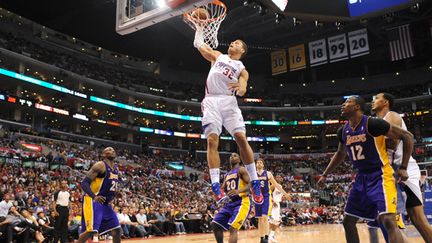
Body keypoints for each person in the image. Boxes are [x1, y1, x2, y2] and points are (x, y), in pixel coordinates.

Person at [317, 96, 414, 243]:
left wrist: (404, 167)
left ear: (357, 107)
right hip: (361, 178)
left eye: (348, 102)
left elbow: (407, 136)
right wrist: (325, 174)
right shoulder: (343, 131)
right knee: (348, 221)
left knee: (388, 220)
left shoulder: (373, 123)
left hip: (381, 174)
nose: (343, 105)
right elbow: (340, 154)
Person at [193, 29, 262, 205]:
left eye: (237, 43)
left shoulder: (242, 69)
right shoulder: (218, 56)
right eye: (232, 42)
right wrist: (200, 28)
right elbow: (199, 45)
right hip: (211, 101)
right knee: (211, 141)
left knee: (240, 137)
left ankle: (254, 181)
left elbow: (244, 85)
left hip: (229, 102)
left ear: (242, 51)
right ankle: (216, 186)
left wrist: (240, 88)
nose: (233, 43)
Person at [368, 93, 432, 243]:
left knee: (417, 219)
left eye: (376, 98)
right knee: (389, 220)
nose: (373, 101)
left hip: (402, 170)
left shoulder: (392, 115)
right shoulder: (379, 121)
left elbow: (391, 143)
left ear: (386, 102)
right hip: (392, 170)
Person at [77, 147, 121, 243]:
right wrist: (94, 196)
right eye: (109, 150)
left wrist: (116, 193)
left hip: (105, 203)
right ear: (103, 155)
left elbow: (108, 185)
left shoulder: (116, 168)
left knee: (117, 229)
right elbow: (84, 183)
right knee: (91, 231)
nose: (112, 150)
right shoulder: (100, 165)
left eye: (113, 150)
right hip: (93, 201)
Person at [212, 153, 252, 243]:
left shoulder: (241, 170)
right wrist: (217, 193)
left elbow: (251, 183)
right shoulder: (227, 175)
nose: (232, 157)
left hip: (242, 202)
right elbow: (223, 189)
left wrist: (238, 191)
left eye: (235, 156)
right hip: (230, 203)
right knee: (215, 224)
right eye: (231, 156)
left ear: (239, 160)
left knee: (233, 228)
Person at [255, 158, 290, 243]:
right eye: (258, 162)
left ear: (263, 165)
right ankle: (261, 238)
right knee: (260, 219)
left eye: (261, 162)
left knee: (265, 217)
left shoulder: (268, 174)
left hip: (266, 198)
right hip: (257, 198)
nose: (259, 163)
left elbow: (276, 185)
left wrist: (285, 193)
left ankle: (267, 237)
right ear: (256, 165)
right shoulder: (253, 174)